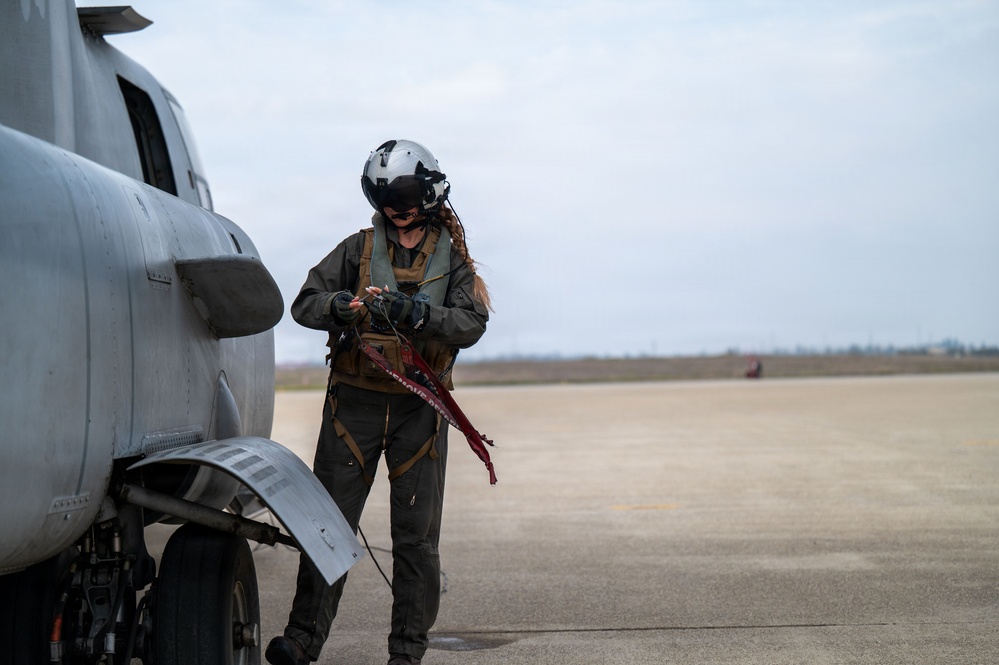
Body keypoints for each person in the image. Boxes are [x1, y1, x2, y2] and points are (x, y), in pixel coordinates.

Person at [265, 140, 491, 665]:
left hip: (420, 412)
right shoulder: (356, 250)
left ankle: (406, 654)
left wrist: (418, 316)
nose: (395, 206)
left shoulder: (452, 262)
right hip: (353, 411)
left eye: (405, 194)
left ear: (429, 193)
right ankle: (301, 641)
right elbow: (304, 303)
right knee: (328, 528)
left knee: (415, 542)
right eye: (386, 195)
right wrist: (339, 307)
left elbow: (471, 323)